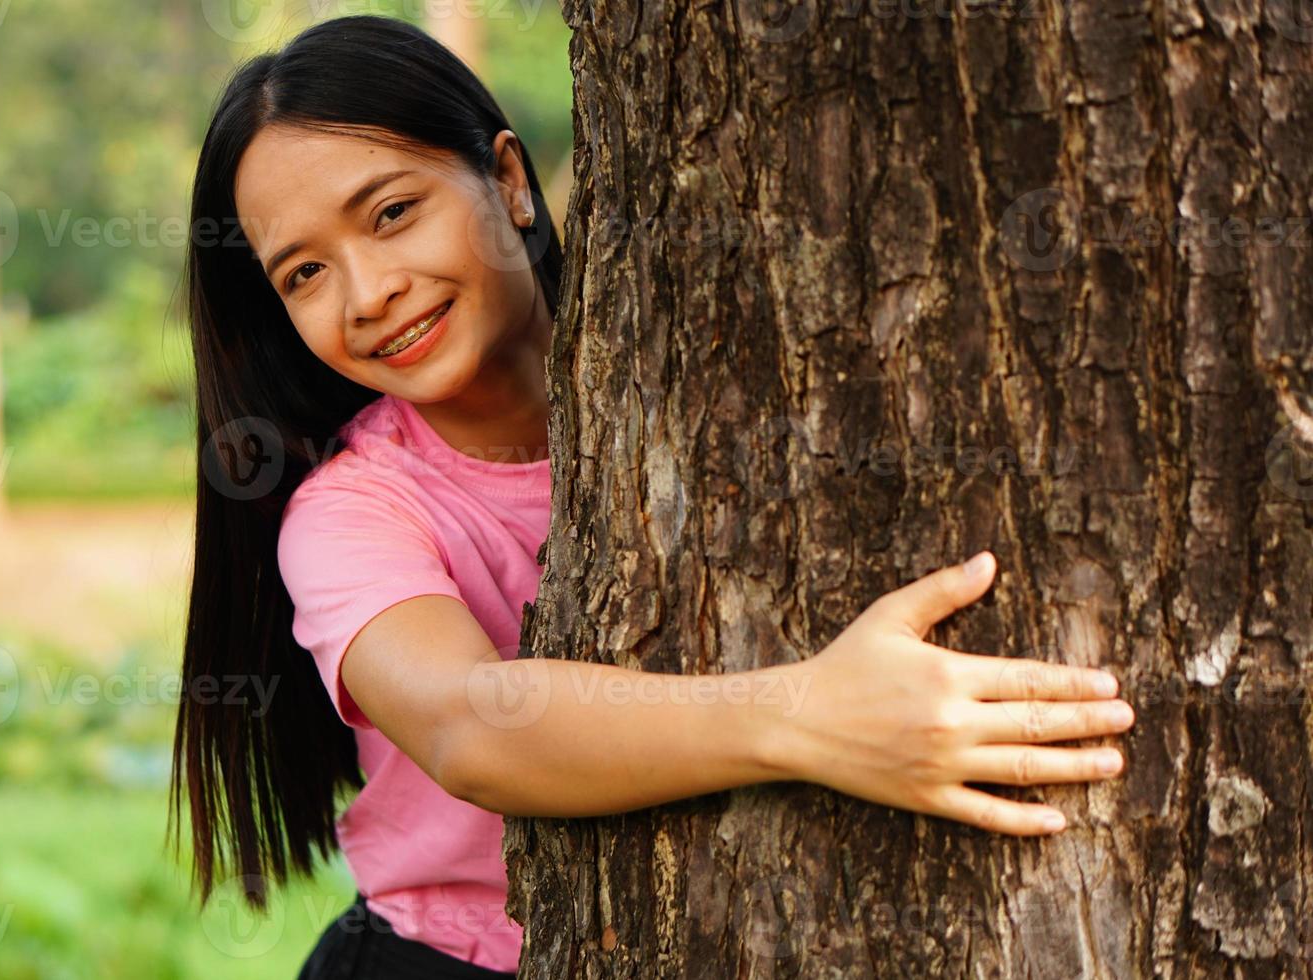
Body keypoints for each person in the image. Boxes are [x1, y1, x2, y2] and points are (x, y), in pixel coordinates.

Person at [171, 15, 1137, 979]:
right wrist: (813, 717)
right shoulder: (351, 515)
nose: (368, 291)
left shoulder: (709, 371)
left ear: (508, 181)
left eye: (391, 213)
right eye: (305, 273)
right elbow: (471, 726)